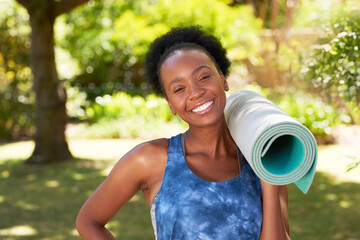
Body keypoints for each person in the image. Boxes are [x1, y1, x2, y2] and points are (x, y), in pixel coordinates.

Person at [76, 26, 290, 240]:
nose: (196, 93)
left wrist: (268, 176)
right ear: (170, 104)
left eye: (204, 77)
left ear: (223, 79)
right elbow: (88, 221)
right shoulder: (150, 159)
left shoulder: (261, 157)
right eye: (179, 89)